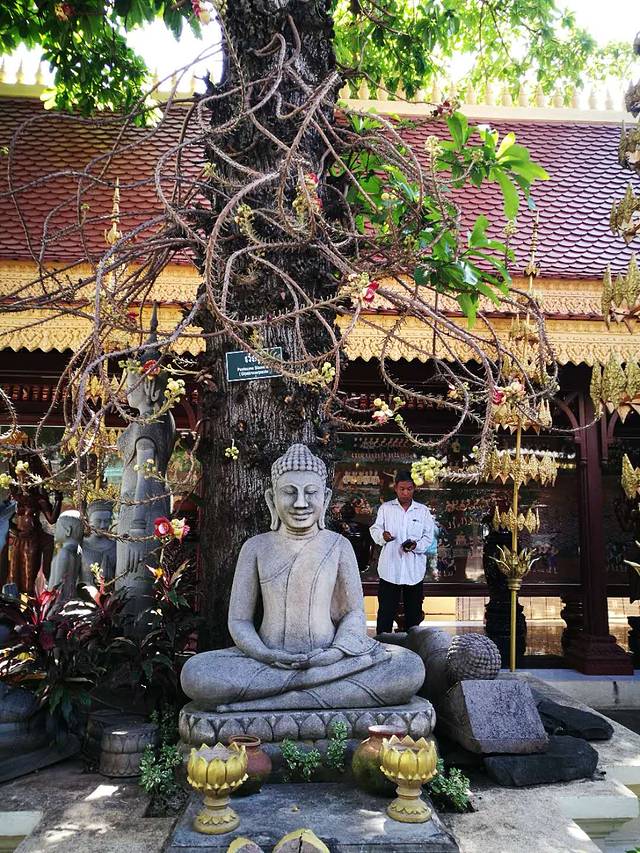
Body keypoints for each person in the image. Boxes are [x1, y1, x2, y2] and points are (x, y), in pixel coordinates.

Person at [370, 470, 435, 634]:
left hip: (414, 571)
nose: (405, 492)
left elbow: (428, 537)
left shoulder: (422, 511)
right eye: (402, 489)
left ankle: (413, 644)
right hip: (390, 569)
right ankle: (382, 643)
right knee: (385, 613)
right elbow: (375, 529)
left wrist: (416, 546)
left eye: (409, 489)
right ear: (396, 489)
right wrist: (383, 536)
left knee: (414, 614)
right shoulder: (386, 508)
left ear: (414, 489)